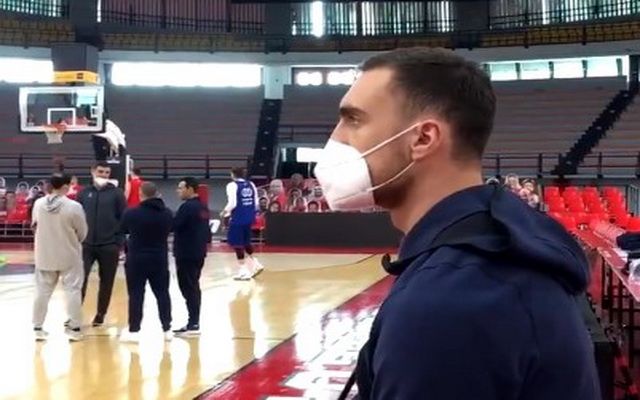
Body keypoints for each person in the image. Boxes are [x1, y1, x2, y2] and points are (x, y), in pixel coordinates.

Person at [314, 48, 599, 399]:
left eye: (353, 120)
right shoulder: (486, 250)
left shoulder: (451, 302)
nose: (337, 137)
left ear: (423, 138)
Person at [31, 174, 87, 342]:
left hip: (44, 254)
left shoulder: (38, 204)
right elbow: (82, 232)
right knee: (73, 290)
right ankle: (74, 328)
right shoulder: (74, 206)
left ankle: (37, 327)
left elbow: (35, 225)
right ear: (65, 186)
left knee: (42, 292)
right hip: (68, 254)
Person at [120, 182, 173, 342]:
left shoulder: (131, 213)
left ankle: (134, 330)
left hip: (136, 259)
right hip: (159, 258)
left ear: (140, 194)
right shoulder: (167, 213)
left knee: (136, 294)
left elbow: (123, 229)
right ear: (157, 193)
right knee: (162, 293)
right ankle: (167, 329)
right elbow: (170, 229)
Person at [77, 162, 127, 327]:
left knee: (107, 281)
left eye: (106, 172)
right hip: (86, 244)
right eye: (100, 171)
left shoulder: (117, 194)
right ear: (93, 171)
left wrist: (118, 242)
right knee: (79, 280)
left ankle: (101, 314)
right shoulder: (84, 193)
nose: (104, 175)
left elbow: (123, 218)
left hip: (109, 245)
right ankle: (75, 313)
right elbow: (77, 217)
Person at [173, 177, 210, 337]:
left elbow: (174, 225)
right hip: (198, 252)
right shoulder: (202, 206)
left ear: (190, 189)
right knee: (193, 285)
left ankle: (194, 323)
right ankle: (193, 321)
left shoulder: (187, 207)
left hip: (186, 253)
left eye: (181, 188)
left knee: (188, 287)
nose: (178, 191)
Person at [221, 167, 264, 281]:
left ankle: (243, 270)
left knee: (237, 244)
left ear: (232, 174)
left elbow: (232, 203)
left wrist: (224, 212)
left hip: (238, 217)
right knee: (246, 242)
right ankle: (256, 264)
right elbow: (256, 202)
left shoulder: (232, 185)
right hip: (249, 217)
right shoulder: (251, 184)